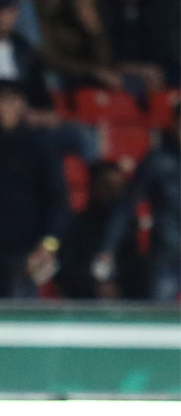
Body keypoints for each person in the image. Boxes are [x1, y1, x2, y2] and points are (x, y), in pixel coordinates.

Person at [0, 81, 69, 298]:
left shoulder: (40, 147)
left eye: (7, 101)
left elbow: (57, 200)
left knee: (20, 311)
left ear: (20, 104)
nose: (0, 108)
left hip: (26, 249)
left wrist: (48, 244)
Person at [93, 103, 180, 302]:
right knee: (160, 317)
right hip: (167, 255)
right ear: (174, 124)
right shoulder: (157, 161)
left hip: (166, 254)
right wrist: (108, 248)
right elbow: (126, 207)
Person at [57, 161, 146, 299]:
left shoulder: (128, 228)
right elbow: (66, 270)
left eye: (118, 188)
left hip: (126, 301)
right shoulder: (76, 225)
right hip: (82, 300)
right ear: (94, 188)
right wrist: (94, 285)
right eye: (108, 187)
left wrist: (117, 286)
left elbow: (136, 270)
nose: (113, 194)